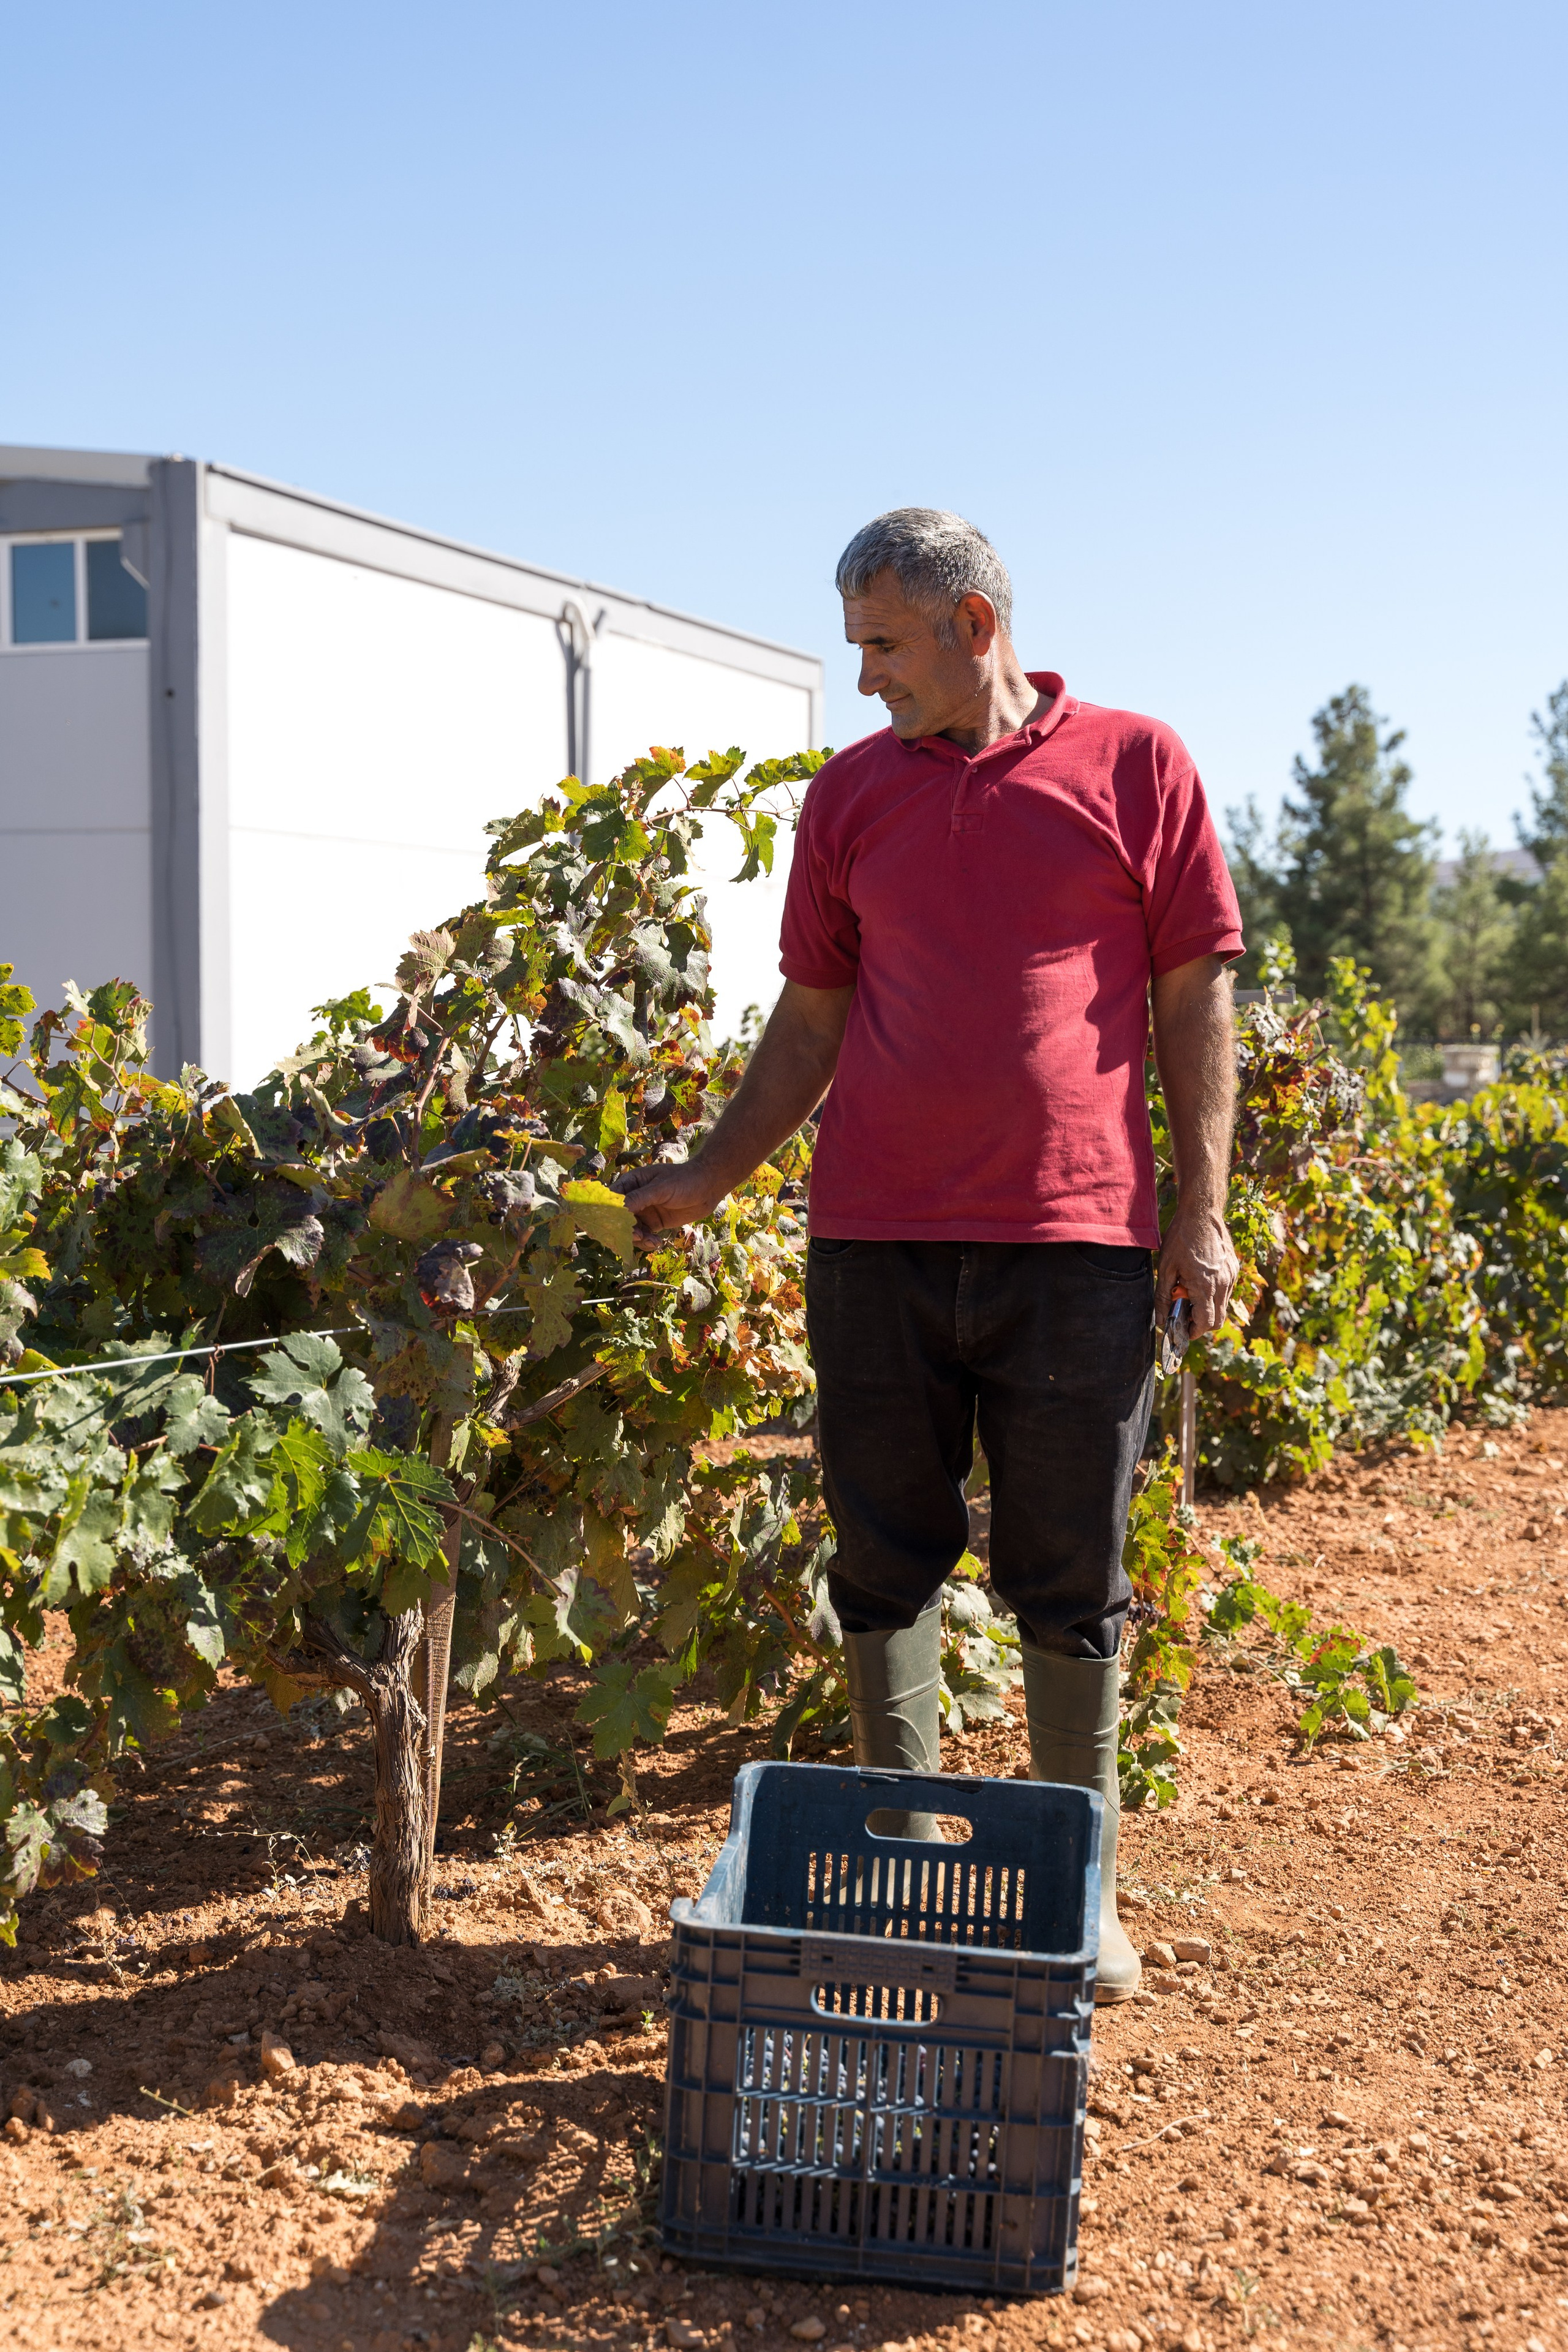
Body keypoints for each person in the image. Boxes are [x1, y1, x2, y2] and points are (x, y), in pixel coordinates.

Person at [620, 508, 1242, 2001]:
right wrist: (710, 1176)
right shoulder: (848, 800)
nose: (865, 682)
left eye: (883, 647)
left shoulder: (1136, 766)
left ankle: (1071, 1895)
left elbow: (1193, 999)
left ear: (973, 629)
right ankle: (901, 1865)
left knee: (1067, 1567)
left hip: (1075, 1242)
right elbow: (810, 1024)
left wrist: (1199, 1212)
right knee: (882, 1554)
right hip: (872, 1241)